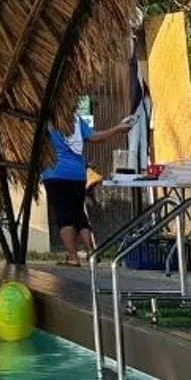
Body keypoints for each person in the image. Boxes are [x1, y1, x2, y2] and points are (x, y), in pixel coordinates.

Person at [42, 97, 135, 266]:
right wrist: (117, 128)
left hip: (55, 173)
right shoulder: (76, 121)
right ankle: (92, 251)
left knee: (64, 217)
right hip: (78, 174)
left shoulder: (46, 120)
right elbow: (95, 137)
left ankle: (73, 257)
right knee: (79, 214)